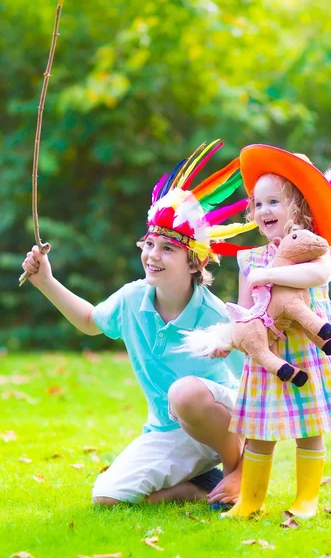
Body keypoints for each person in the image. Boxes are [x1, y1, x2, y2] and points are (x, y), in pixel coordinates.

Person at [21, 140, 257, 506]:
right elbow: (88, 321)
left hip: (221, 421)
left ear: (195, 263)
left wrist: (244, 465)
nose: (152, 255)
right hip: (169, 430)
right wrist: (46, 282)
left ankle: (235, 473)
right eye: (149, 244)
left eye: (168, 248)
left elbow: (253, 391)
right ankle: (198, 488)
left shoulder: (216, 316)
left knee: (185, 392)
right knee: (108, 498)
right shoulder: (132, 298)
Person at [216, 144, 331, 519]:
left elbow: (316, 276)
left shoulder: (316, 250)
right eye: (257, 204)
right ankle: (251, 500)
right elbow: (243, 308)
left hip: (308, 351)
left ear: (298, 206)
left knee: (310, 425)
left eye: (274, 202)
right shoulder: (248, 259)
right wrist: (229, 337)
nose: (263, 211)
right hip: (269, 353)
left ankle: (306, 499)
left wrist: (269, 275)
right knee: (259, 430)